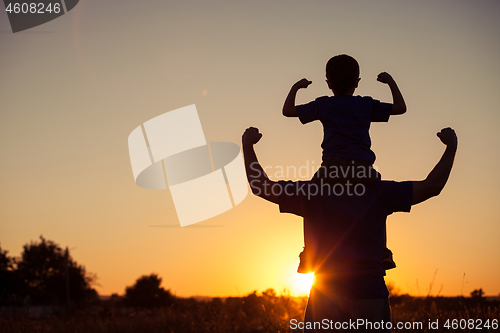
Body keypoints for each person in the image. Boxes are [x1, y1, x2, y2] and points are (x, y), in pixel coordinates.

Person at [242, 126, 457, 332]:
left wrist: (248, 146)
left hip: (325, 296)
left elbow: (260, 185)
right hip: (370, 294)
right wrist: (451, 148)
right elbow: (431, 186)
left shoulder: (312, 193)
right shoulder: (379, 192)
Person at [282, 54, 406, 272]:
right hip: (363, 168)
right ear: (357, 82)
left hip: (332, 167)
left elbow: (288, 111)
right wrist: (390, 82)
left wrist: (296, 87)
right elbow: (400, 108)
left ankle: (309, 251)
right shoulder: (365, 105)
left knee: (307, 202)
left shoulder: (324, 105)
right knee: (379, 202)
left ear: (328, 83)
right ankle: (383, 251)